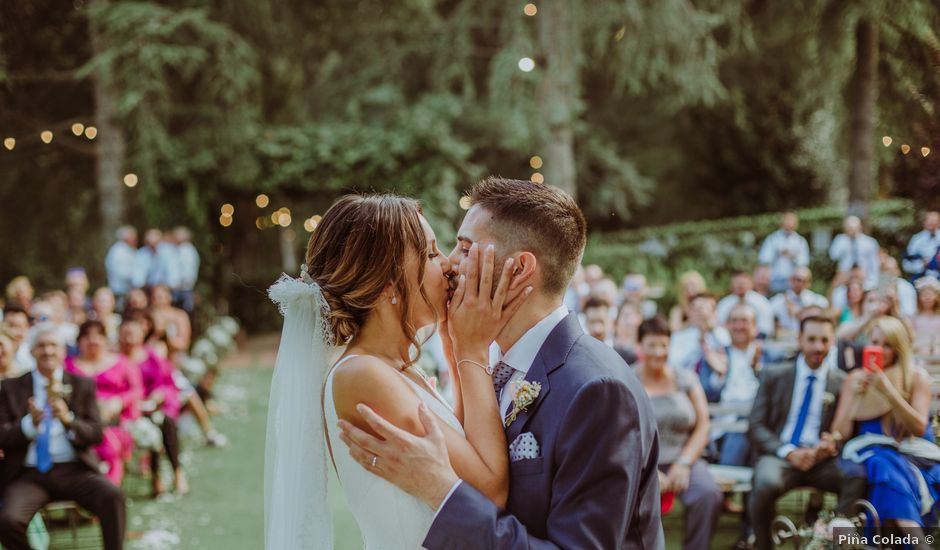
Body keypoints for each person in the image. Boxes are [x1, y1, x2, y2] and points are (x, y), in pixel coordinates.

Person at [332, 180, 663, 549]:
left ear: (520, 268)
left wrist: (441, 488)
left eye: (464, 248)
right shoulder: (492, 365)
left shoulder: (596, 389)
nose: (450, 266)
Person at [0, 325, 126, 550]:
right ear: (31, 351)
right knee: (8, 520)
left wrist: (69, 420)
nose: (47, 351)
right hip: (29, 474)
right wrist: (29, 425)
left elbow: (96, 434)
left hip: (74, 470)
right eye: (41, 346)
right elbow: (1, 436)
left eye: (53, 346)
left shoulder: (82, 384)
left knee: (112, 496)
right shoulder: (10, 387)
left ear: (63, 352)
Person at [747, 315, 860, 550]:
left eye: (824, 340)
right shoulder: (774, 375)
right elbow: (756, 425)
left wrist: (831, 445)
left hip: (822, 462)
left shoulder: (842, 383)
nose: (818, 347)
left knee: (856, 475)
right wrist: (789, 452)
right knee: (764, 482)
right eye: (811, 339)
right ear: (799, 340)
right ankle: (763, 545)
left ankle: (833, 540)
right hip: (782, 457)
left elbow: (847, 431)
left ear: (832, 343)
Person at [829, 316, 939, 543]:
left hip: (913, 453)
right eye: (875, 342)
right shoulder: (855, 379)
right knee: (883, 464)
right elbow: (840, 434)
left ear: (898, 348)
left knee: (888, 471)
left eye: (887, 344)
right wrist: (855, 400)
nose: (879, 349)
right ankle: (916, 541)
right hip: (872, 453)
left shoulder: (916, 376)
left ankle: (879, 542)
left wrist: (889, 391)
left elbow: (918, 427)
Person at [634, 316, 721, 550]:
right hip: (641, 462)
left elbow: (703, 424)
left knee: (707, 494)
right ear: (640, 346)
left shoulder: (686, 379)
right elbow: (622, 431)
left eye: (663, 345)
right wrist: (649, 470)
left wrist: (683, 463)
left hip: (685, 458)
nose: (658, 352)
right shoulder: (628, 378)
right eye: (652, 345)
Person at [64, 320, 143, 486]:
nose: (93, 340)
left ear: (105, 340)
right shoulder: (68, 365)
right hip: (80, 421)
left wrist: (119, 401)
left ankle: (107, 494)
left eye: (98, 335)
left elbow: (137, 390)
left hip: (115, 420)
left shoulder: (121, 362)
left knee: (110, 447)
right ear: (79, 341)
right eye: (87, 336)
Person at [119, 317, 187, 497]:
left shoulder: (151, 356)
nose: (129, 338)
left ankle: (177, 472)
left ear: (141, 335)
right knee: (153, 427)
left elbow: (160, 384)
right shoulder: (117, 360)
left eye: (132, 334)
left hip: (150, 406)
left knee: (165, 423)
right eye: (125, 334)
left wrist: (154, 399)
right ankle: (157, 478)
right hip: (127, 412)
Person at [701, 304, 762, 465]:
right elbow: (706, 395)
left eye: (744, 321)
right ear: (727, 326)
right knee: (742, 427)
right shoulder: (715, 356)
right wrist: (720, 375)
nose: (739, 326)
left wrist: (759, 371)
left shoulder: (768, 357)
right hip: (725, 425)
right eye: (734, 321)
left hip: (761, 424)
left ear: (755, 327)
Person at [669, 293, 731, 373]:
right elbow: (674, 364)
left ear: (714, 312)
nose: (700, 313)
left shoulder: (722, 333)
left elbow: (730, 359)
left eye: (704, 308)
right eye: (696, 309)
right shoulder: (679, 336)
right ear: (690, 312)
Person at [758, 211, 810, 294]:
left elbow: (804, 261)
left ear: (796, 224)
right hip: (774, 278)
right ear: (782, 223)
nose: (789, 223)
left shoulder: (800, 241)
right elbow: (763, 258)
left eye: (791, 221)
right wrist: (777, 254)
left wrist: (793, 256)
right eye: (787, 220)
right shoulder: (772, 238)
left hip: (792, 280)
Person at [769, 267, 829, 336]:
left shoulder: (817, 300)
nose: (797, 283)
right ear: (790, 280)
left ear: (808, 283)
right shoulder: (778, 301)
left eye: (801, 280)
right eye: (794, 279)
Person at [716, 270, 774, 337]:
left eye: (743, 283)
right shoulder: (724, 304)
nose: (740, 285)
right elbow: (720, 325)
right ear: (731, 285)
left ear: (751, 284)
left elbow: (766, 327)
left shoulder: (762, 302)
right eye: (737, 283)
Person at [829, 216, 880, 290]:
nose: (852, 230)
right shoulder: (840, 240)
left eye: (854, 228)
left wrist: (873, 280)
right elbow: (833, 256)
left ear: (860, 227)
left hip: (864, 278)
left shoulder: (870, 242)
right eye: (849, 228)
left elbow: (874, 263)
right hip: (844, 279)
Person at [104, 226, 139, 307]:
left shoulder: (130, 250)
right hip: (121, 290)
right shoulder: (119, 252)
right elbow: (122, 272)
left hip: (126, 290)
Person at [903, 211, 940, 280]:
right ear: (924, 222)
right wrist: (921, 265)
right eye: (930, 221)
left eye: (935, 221)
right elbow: (907, 263)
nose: (932, 223)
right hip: (920, 278)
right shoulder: (916, 239)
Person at [172, 227, 200, 314]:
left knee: (184, 313)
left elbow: (187, 271)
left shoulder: (186, 251)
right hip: (181, 287)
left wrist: (179, 284)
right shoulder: (181, 250)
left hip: (183, 288)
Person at [912, 276, 940, 353]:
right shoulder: (915, 316)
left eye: (930, 295)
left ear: (936, 297)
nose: (927, 298)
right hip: (920, 352)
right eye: (924, 295)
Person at [2, 306, 33, 374]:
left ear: (27, 328)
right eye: (10, 326)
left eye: (19, 327)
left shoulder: (33, 356)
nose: (14, 332)